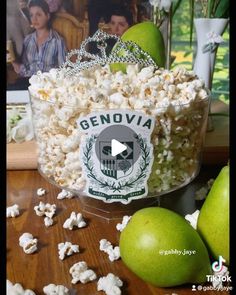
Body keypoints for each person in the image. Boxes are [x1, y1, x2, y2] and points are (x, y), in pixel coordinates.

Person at [11, 0, 67, 78]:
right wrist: (18, 66)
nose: (34, 19)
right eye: (31, 15)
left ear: (47, 16)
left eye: (39, 15)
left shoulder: (58, 41)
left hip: (48, 85)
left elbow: (63, 71)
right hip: (28, 82)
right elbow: (24, 68)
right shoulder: (27, 40)